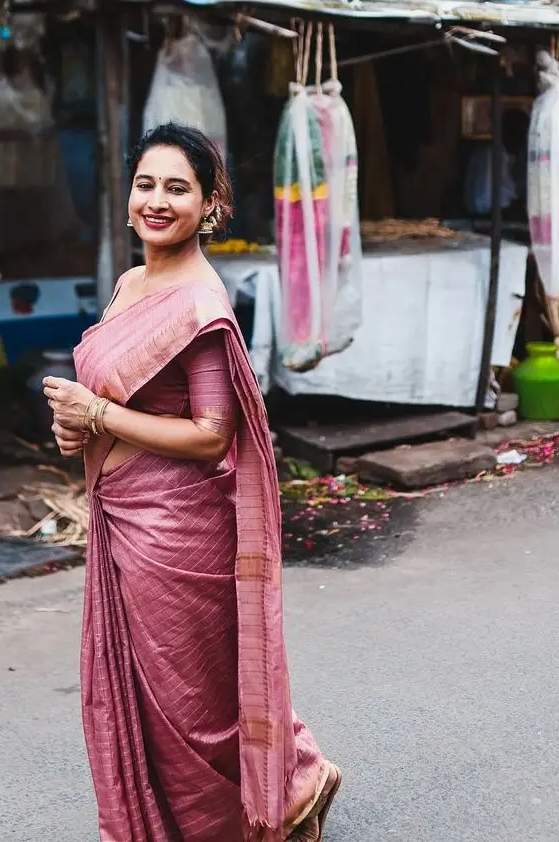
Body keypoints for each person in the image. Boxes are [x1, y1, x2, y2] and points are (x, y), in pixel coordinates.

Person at [44, 122, 340, 842]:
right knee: (156, 690)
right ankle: (293, 777)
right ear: (127, 199)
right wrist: (78, 427)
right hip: (124, 515)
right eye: (146, 184)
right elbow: (124, 401)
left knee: (191, 699)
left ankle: (279, 790)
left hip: (180, 529)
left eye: (178, 188)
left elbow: (212, 433)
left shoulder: (200, 305)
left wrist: (101, 413)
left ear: (210, 204)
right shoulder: (131, 284)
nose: (157, 200)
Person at [464, 107, 530, 217]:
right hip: (486, 226)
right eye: (519, 133)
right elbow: (481, 203)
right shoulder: (489, 157)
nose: (524, 139)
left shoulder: (512, 158)